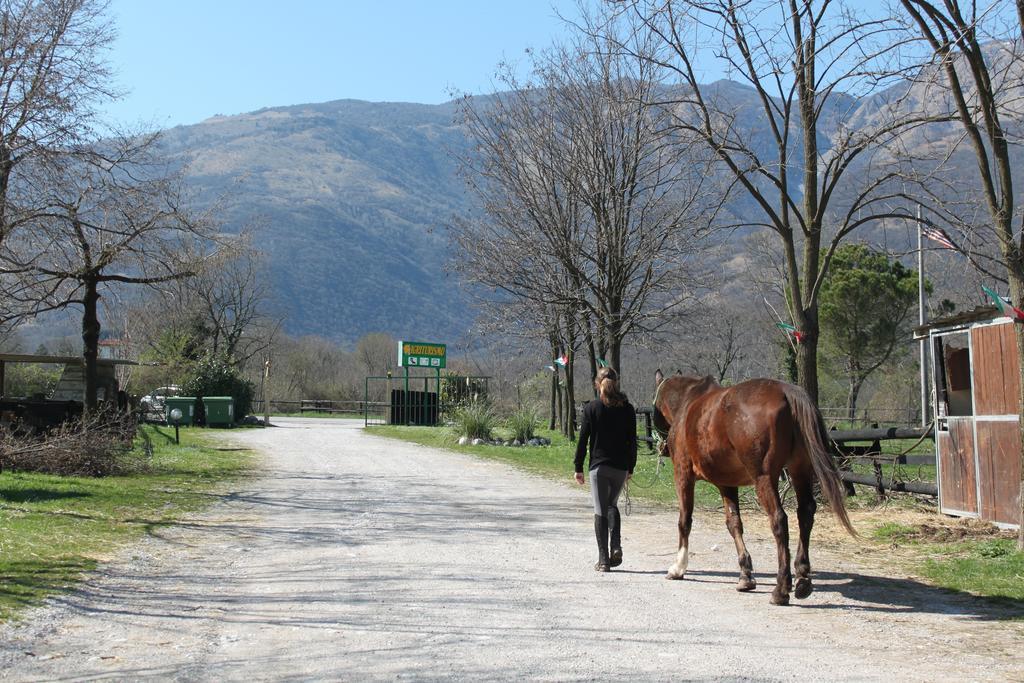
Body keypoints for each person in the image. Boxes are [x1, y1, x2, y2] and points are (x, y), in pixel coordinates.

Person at [573, 366, 637, 572]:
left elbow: (583, 441)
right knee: (612, 505)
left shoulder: (592, 408)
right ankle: (616, 545)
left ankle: (603, 560)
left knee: (601, 510)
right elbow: (632, 442)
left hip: (599, 468)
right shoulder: (628, 409)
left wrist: (578, 467)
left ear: (596, 384)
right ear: (615, 383)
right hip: (620, 467)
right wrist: (631, 467)